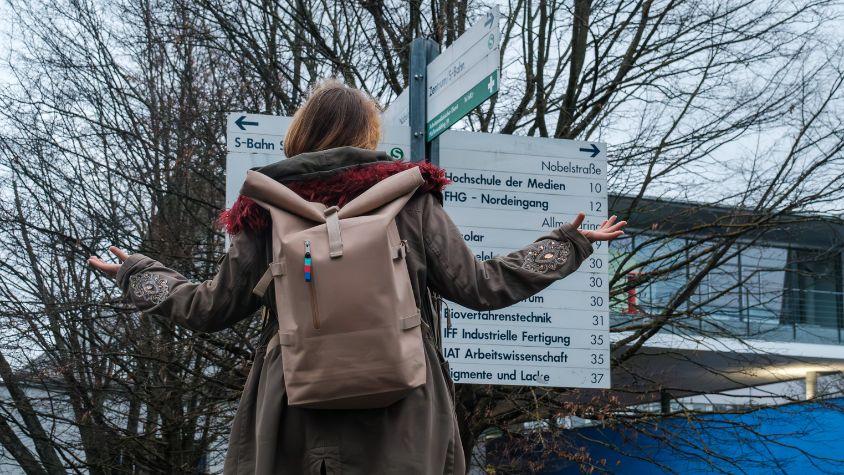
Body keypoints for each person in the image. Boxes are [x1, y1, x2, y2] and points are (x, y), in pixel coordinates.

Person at [88, 79, 627, 475]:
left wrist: (139, 272)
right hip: (402, 400)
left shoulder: (264, 209)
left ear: (300, 135)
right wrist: (568, 243)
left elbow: (209, 307)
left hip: (292, 402)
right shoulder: (411, 200)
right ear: (368, 135)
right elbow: (482, 287)